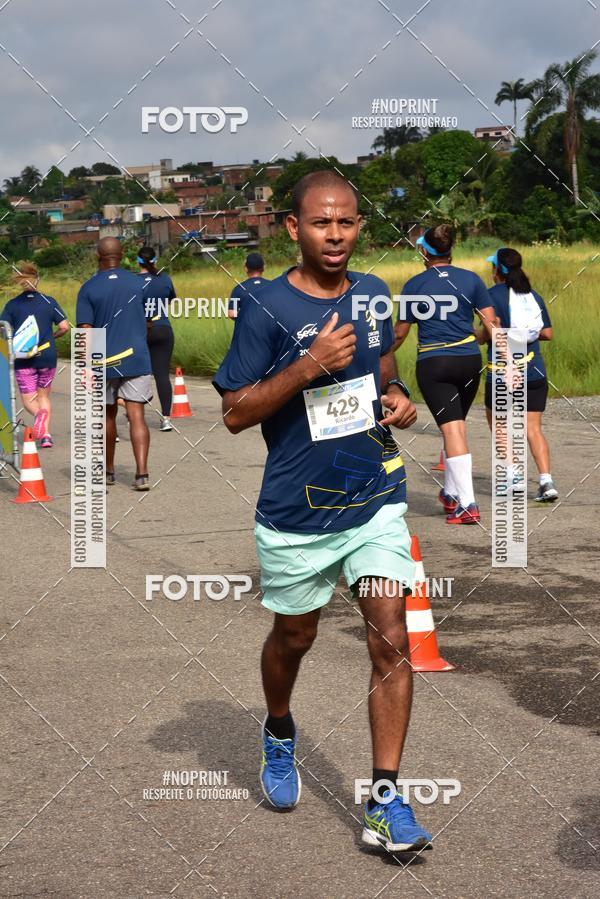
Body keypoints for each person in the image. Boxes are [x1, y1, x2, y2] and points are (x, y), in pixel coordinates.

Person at [213, 170, 432, 853]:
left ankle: (385, 800)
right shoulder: (264, 305)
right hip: (296, 516)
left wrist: (397, 394)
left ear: (359, 225)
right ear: (292, 228)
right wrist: (307, 365)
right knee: (294, 639)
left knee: (391, 637)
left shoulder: (371, 292)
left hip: (373, 501)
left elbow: (383, 360)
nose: (335, 235)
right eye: (321, 223)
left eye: (347, 222)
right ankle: (279, 729)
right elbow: (234, 413)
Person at [394, 225, 495, 524]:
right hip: (468, 361)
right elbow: (491, 328)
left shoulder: (414, 285)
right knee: (456, 427)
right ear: (450, 250)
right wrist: (474, 339)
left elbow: (400, 334)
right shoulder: (472, 280)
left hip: (434, 363)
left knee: (452, 430)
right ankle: (451, 493)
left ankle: (468, 504)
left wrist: (379, 351)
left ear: (425, 251)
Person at [480, 248, 557, 502]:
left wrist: (478, 335)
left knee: (500, 427)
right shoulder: (533, 295)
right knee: (533, 429)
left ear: (497, 271)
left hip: (502, 374)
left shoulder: (489, 297)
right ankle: (546, 481)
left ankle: (513, 479)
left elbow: (487, 333)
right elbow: (547, 333)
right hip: (534, 372)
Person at [76, 237, 152, 491]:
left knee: (106, 415)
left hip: (103, 359)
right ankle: (141, 474)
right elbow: (150, 320)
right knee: (136, 415)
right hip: (137, 356)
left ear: (98, 255)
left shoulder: (87, 288)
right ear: (122, 255)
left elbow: (86, 331)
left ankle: (108, 471)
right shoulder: (139, 284)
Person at [1, 261, 69, 447]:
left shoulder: (12, 305)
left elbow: (3, 330)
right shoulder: (49, 301)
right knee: (44, 396)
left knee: (29, 400)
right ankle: (46, 436)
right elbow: (64, 327)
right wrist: (53, 337)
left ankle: (39, 416)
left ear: (22, 283)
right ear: (37, 280)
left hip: (24, 359)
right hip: (47, 356)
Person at [137, 245, 176, 432]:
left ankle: (134, 416)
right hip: (163, 328)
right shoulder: (164, 279)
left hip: (141, 331)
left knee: (137, 375)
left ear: (138, 262)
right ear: (155, 261)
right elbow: (170, 299)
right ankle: (166, 419)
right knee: (162, 375)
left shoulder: (134, 282)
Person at [227, 252, 269, 320]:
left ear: (246, 269)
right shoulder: (274, 287)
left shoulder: (238, 289)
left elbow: (231, 313)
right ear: (263, 268)